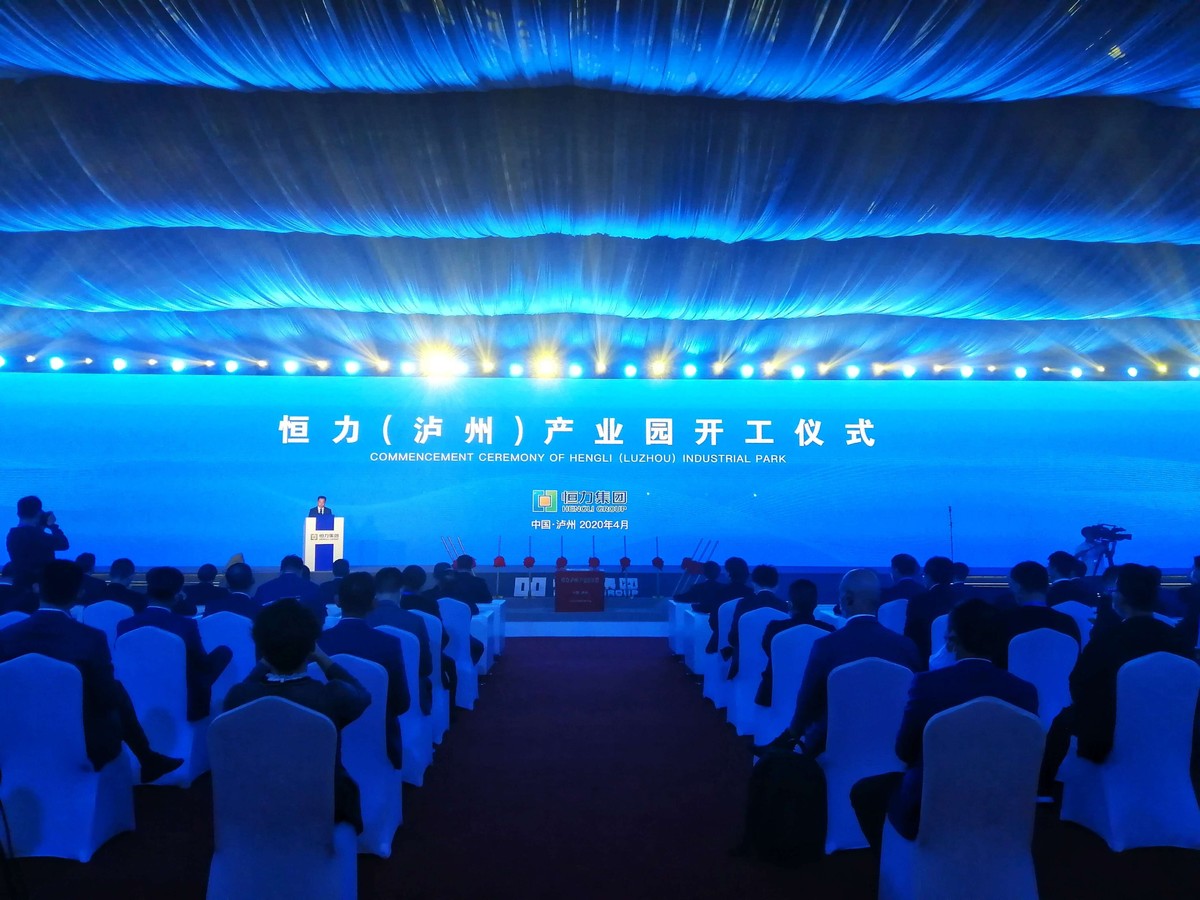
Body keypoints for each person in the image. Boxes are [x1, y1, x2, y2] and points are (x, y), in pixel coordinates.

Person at [850, 599, 1038, 847]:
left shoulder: (927, 685)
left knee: (865, 792)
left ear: (951, 638)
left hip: (932, 804)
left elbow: (904, 751)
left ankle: (896, 861)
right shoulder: (1025, 692)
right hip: (1001, 805)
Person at [0, 560, 183, 782]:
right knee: (115, 691)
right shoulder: (90, 638)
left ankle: (148, 758)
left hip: (14, 734)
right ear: (79, 592)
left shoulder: (6, 636)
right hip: (81, 739)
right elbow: (105, 697)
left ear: (37, 588)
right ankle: (147, 757)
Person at [1041, 563, 1196, 791]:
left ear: (1120, 597)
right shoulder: (1178, 640)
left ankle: (1045, 790)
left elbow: (1079, 685)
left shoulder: (1107, 640)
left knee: (1063, 720)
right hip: (1175, 731)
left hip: (1110, 733)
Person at [224, 598, 369, 832]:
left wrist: (264, 662)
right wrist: (323, 658)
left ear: (261, 647)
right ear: (311, 646)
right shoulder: (332, 696)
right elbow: (363, 695)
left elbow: (245, 686)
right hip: (324, 806)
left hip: (253, 802)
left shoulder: (239, 697)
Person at [777, 569, 923, 755]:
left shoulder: (826, 647)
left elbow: (807, 704)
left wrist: (791, 736)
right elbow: (916, 703)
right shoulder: (906, 647)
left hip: (833, 750)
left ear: (846, 600)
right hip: (896, 749)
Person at [318, 572, 410, 769]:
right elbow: (401, 704)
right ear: (374, 603)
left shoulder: (317, 644)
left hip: (324, 741)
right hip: (380, 738)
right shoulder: (389, 644)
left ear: (337, 601)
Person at [115, 566, 233, 720]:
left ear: (148, 590)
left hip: (133, 696)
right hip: (181, 700)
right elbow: (202, 665)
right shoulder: (186, 625)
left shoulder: (124, 625)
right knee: (222, 653)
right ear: (178, 595)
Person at [754, 579, 834, 707]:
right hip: (818, 696)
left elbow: (768, 651)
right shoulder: (829, 631)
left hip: (775, 692)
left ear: (790, 604)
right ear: (815, 604)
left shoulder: (774, 629)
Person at [367, 566, 434, 714]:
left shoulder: (364, 619)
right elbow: (426, 667)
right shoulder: (415, 621)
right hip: (411, 693)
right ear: (401, 589)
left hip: (368, 690)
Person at [994, 561, 1080, 668]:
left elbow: (997, 664)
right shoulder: (1067, 623)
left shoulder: (1003, 622)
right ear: (1047, 586)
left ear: (1016, 586)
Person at [725, 565, 788, 677]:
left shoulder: (743, 604)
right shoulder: (784, 606)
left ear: (753, 583)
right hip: (775, 664)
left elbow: (733, 637)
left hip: (745, 661)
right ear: (776, 585)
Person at [6, 495, 69, 592]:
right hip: (41, 587)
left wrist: (40, 526)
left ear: (18, 514)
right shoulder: (37, 535)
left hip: (21, 586)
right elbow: (64, 544)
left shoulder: (12, 534)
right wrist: (52, 526)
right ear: (39, 513)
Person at [902, 556, 958, 662]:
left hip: (925, 658)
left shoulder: (919, 600)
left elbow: (911, 635)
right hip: (960, 657)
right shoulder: (964, 598)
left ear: (928, 576)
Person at [254, 554, 326, 622]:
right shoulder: (314, 588)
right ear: (301, 571)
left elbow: (256, 616)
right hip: (305, 629)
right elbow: (321, 616)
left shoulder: (263, 589)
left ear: (281, 570)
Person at [705, 557, 755, 654]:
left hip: (722, 641)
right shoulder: (752, 593)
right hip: (748, 640)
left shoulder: (720, 592)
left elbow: (713, 621)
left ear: (729, 573)